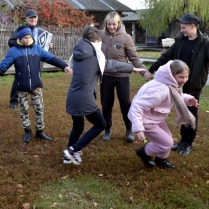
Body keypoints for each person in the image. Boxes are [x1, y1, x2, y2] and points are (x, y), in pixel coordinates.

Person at [143, 13, 209, 155]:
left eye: (184, 27)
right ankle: (182, 140)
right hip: (178, 84)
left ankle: (188, 143)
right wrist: (151, 70)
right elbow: (166, 56)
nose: (182, 31)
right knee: (181, 110)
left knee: (190, 112)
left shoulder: (205, 43)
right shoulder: (180, 41)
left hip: (194, 84)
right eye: (181, 28)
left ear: (193, 26)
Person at [63, 26, 145, 165]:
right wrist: (132, 68)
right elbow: (110, 64)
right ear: (96, 42)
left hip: (72, 97)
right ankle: (72, 150)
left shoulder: (78, 52)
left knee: (78, 126)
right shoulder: (94, 58)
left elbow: (107, 63)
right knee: (101, 124)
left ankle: (68, 156)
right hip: (85, 100)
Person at [0, 25, 70, 143]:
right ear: (19, 38)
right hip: (22, 87)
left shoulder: (37, 49)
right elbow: (2, 67)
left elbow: (51, 58)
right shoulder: (13, 51)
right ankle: (27, 131)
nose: (28, 39)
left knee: (39, 108)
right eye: (25, 37)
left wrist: (64, 65)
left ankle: (40, 132)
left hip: (36, 86)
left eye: (30, 37)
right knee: (24, 110)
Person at [128, 60, 199, 169]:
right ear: (171, 75)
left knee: (167, 139)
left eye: (186, 76)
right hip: (146, 120)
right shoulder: (160, 90)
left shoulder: (170, 84)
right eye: (181, 77)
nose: (184, 80)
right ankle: (144, 152)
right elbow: (137, 106)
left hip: (155, 118)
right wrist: (138, 127)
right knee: (166, 143)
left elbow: (176, 95)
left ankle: (161, 159)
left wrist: (188, 99)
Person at [100, 11, 148, 142]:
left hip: (122, 76)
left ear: (119, 23)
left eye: (114, 24)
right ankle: (107, 129)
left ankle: (129, 129)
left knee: (125, 104)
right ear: (106, 24)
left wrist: (144, 72)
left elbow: (134, 58)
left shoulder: (126, 38)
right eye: (109, 24)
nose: (111, 27)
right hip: (106, 75)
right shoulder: (101, 35)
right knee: (106, 104)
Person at [8, 9, 53, 109]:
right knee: (19, 79)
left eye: (35, 17)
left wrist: (49, 45)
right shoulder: (20, 29)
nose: (33, 19)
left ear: (37, 19)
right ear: (26, 18)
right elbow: (11, 42)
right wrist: (22, 43)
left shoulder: (41, 32)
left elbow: (43, 48)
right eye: (31, 17)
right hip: (22, 58)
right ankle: (14, 101)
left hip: (35, 59)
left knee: (36, 78)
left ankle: (35, 99)